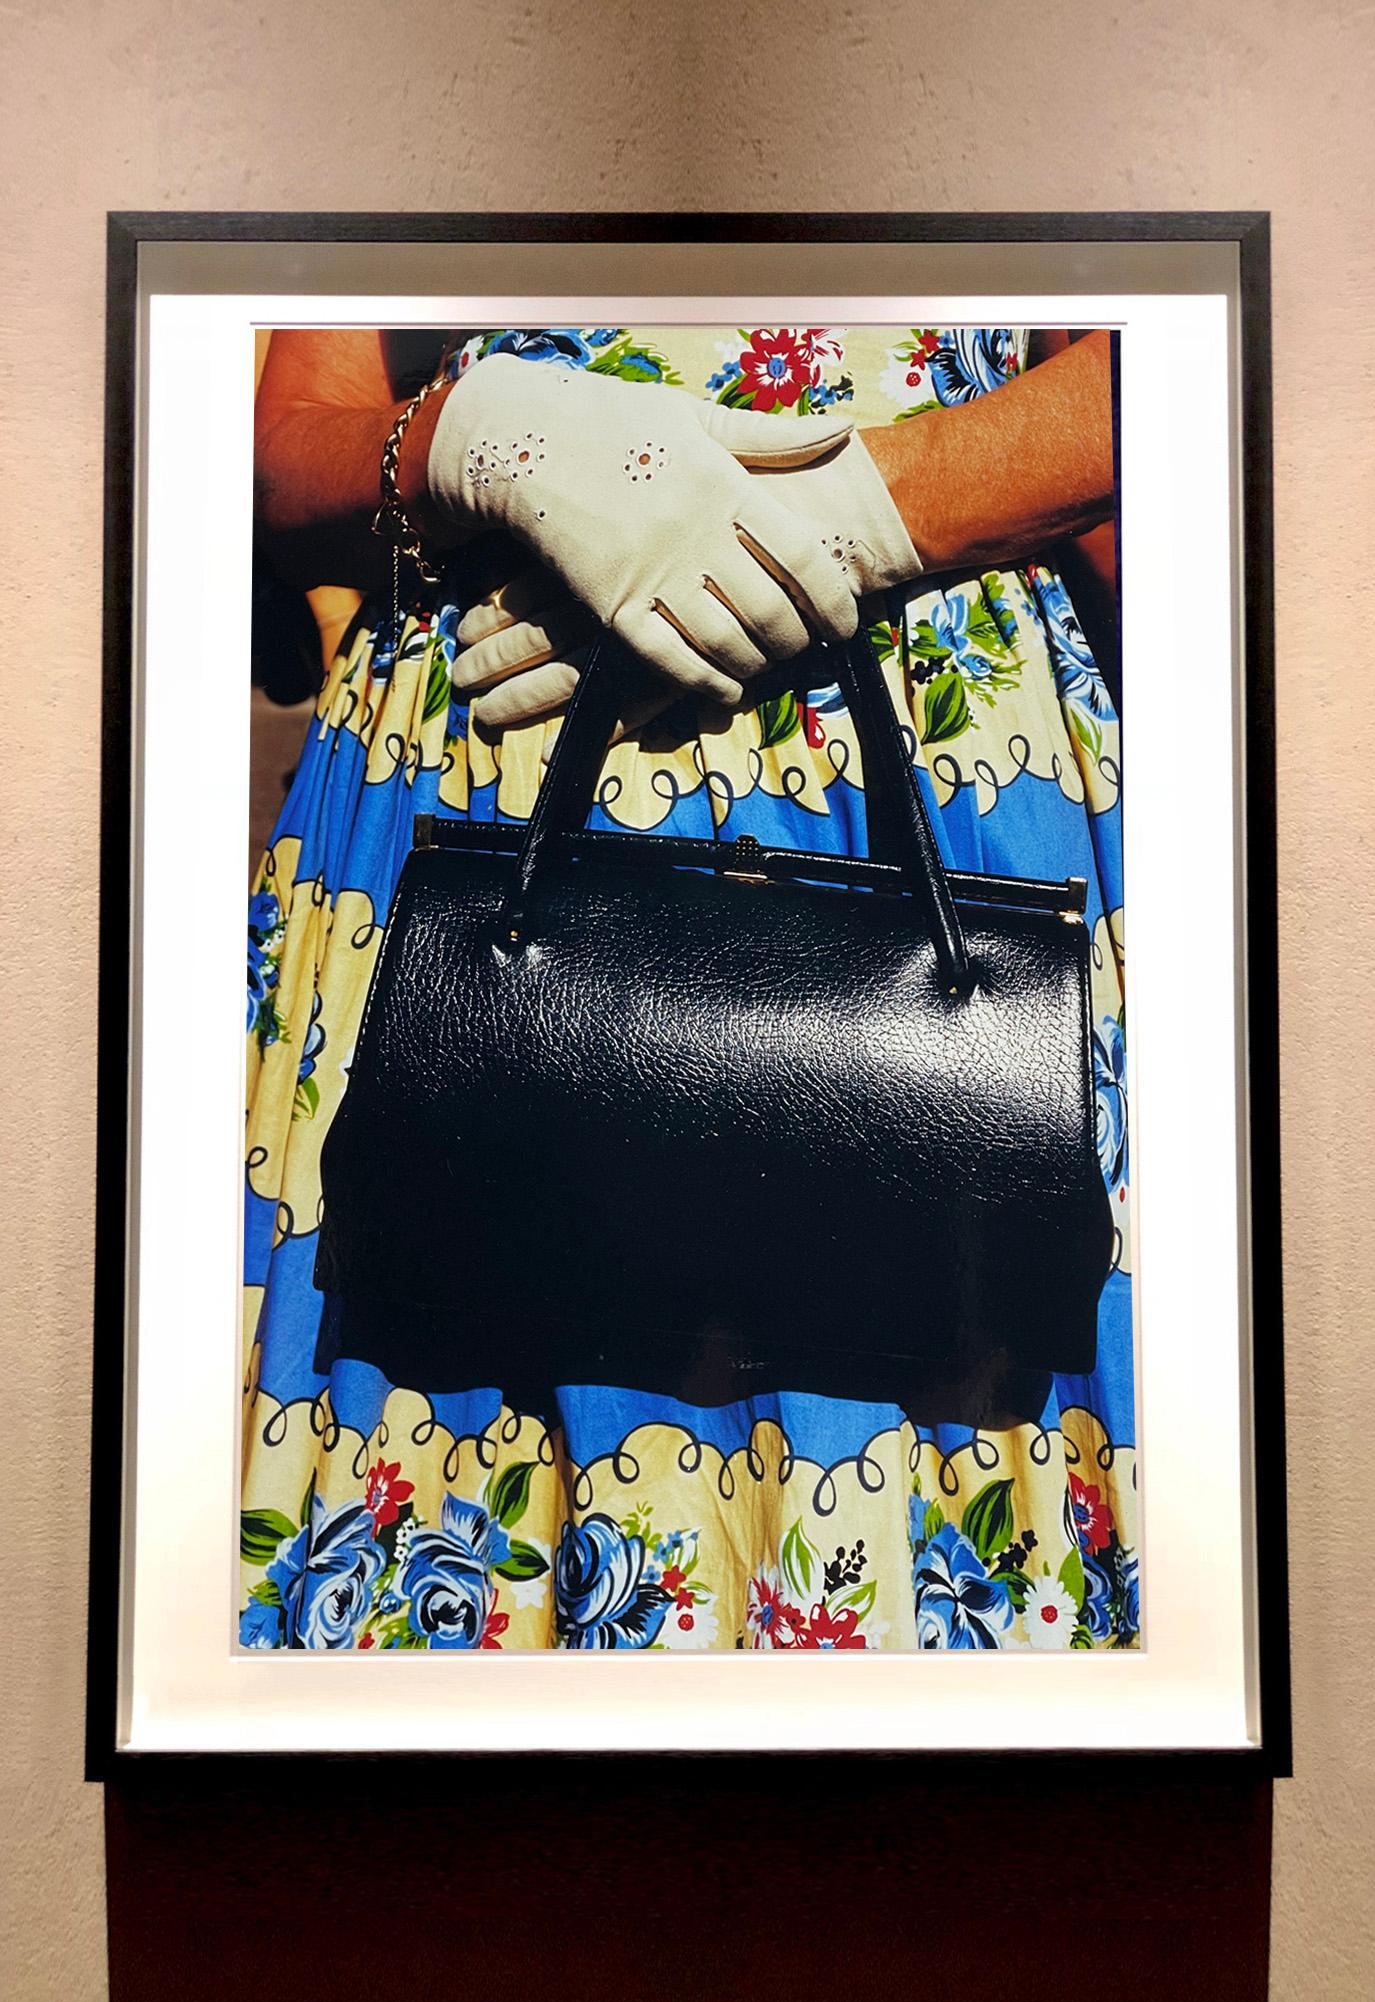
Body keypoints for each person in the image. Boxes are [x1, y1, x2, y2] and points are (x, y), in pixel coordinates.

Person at [241, 324, 1136, 1655]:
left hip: (922, 719)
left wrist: (857, 513)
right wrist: (483, 435)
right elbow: (285, 440)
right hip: (493, 719)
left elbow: (1188, 358)